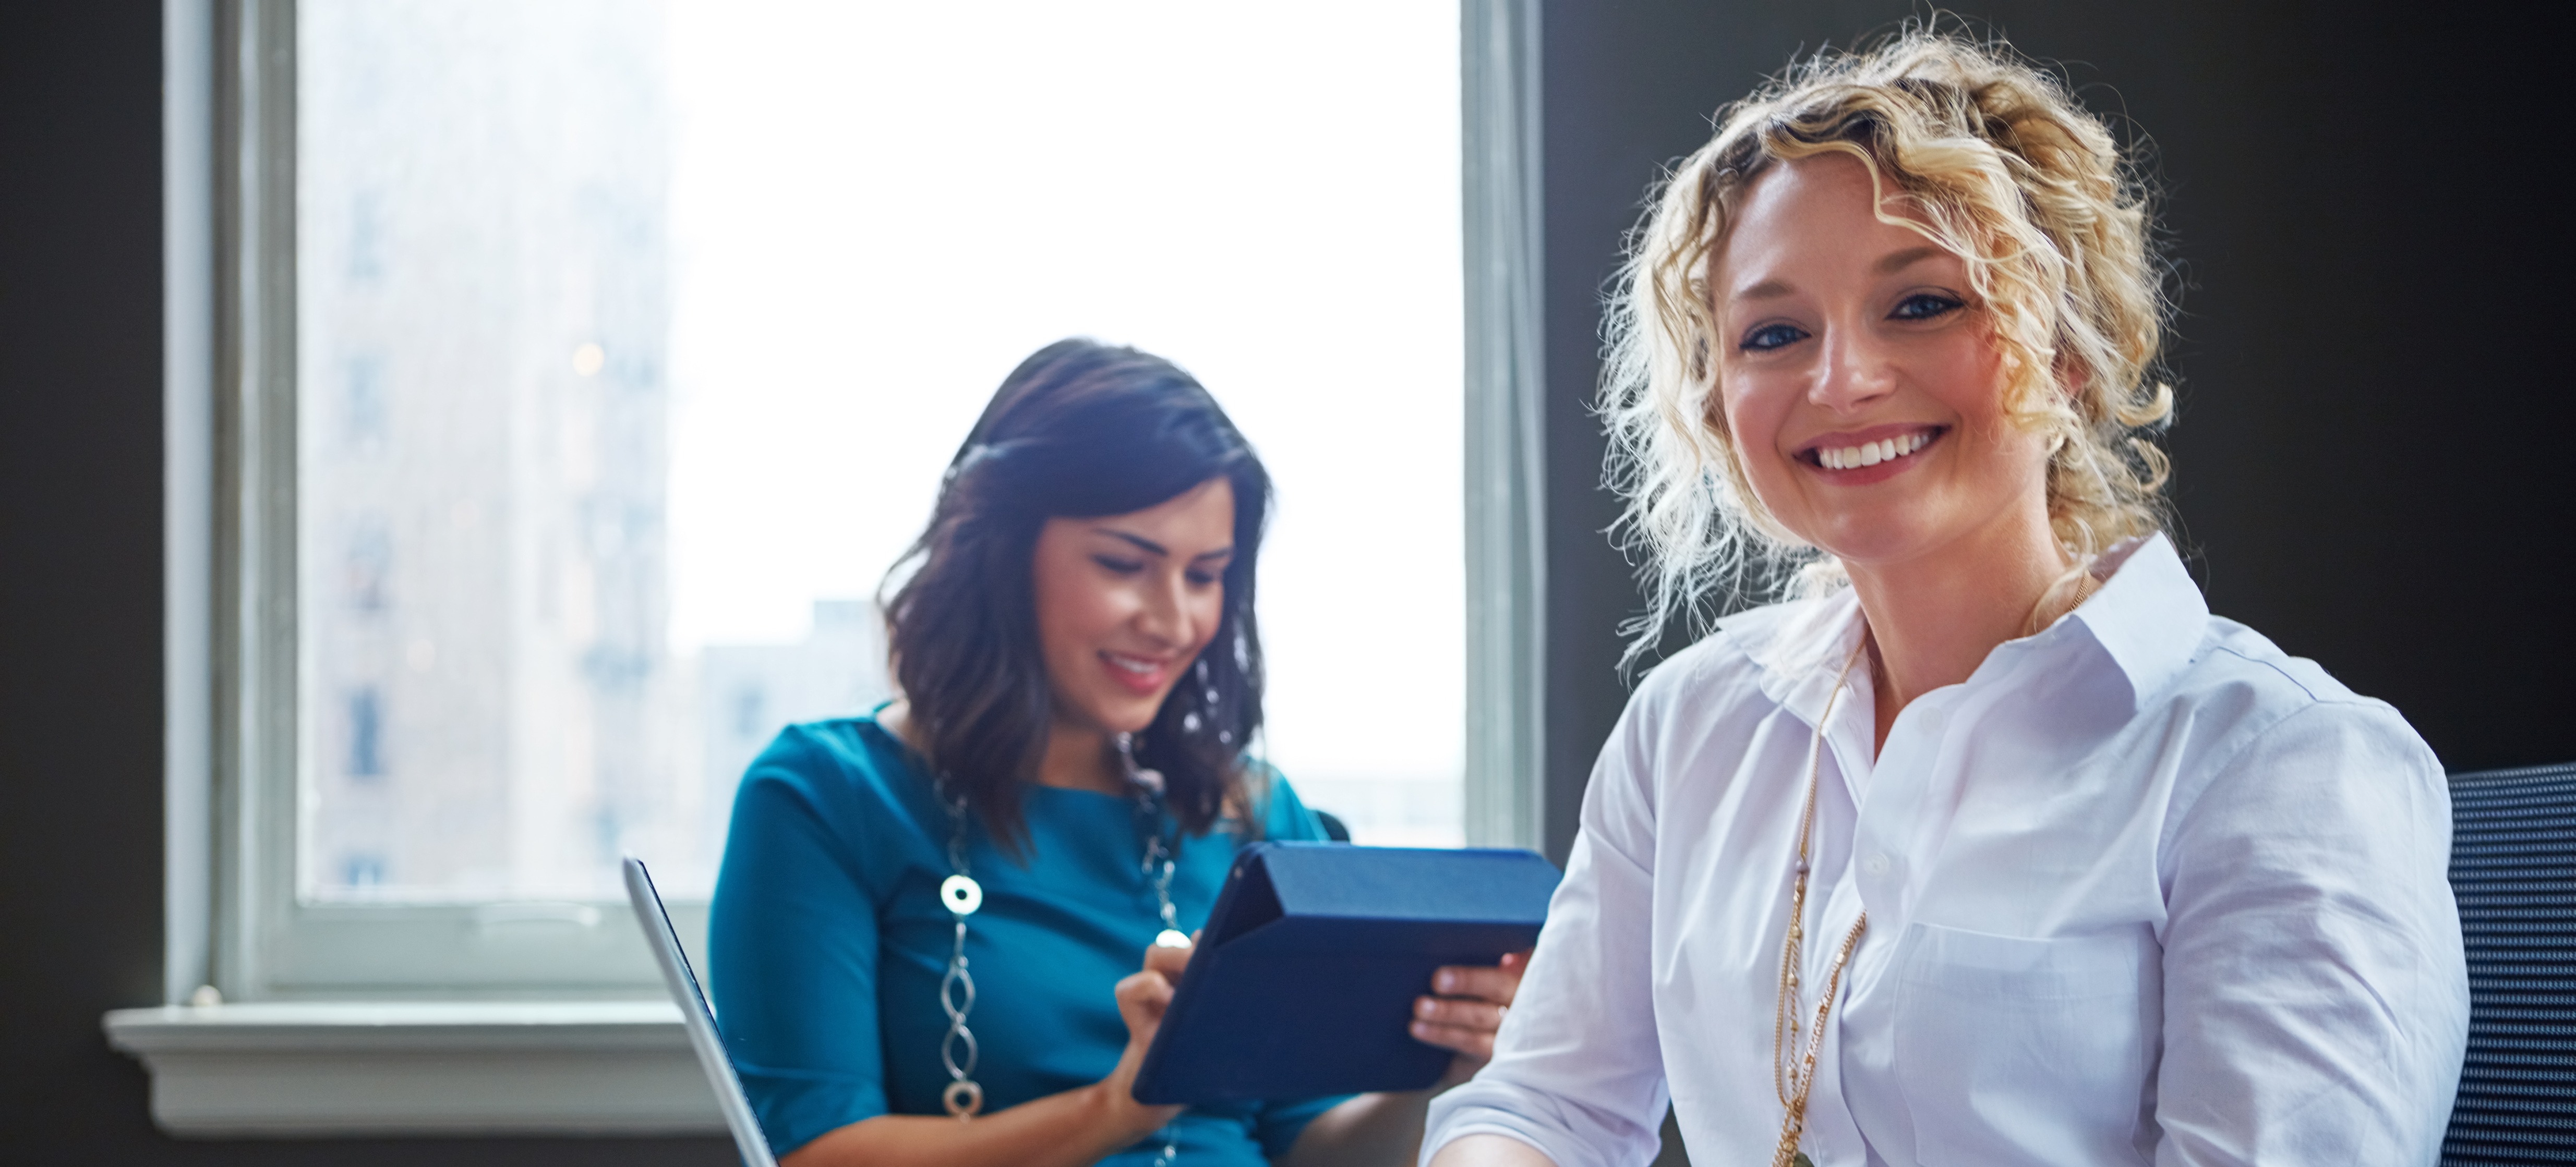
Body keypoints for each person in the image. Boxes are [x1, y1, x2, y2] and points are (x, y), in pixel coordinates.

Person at [1423, 29, 2468, 1167]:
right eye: (1774, 334)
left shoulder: (2281, 765)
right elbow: (1538, 1111)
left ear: (2065, 348)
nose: (1842, 381)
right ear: (1722, 401)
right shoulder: (1691, 728)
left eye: (1920, 304)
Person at [709, 339, 1524, 1167]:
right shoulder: (824, 795)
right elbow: (816, 1152)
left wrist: (1438, 1075)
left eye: (1205, 575)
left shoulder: (1252, 813)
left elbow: (1310, 1150)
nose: (1172, 620)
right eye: (1124, 565)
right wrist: (1113, 1108)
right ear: (1000, 549)